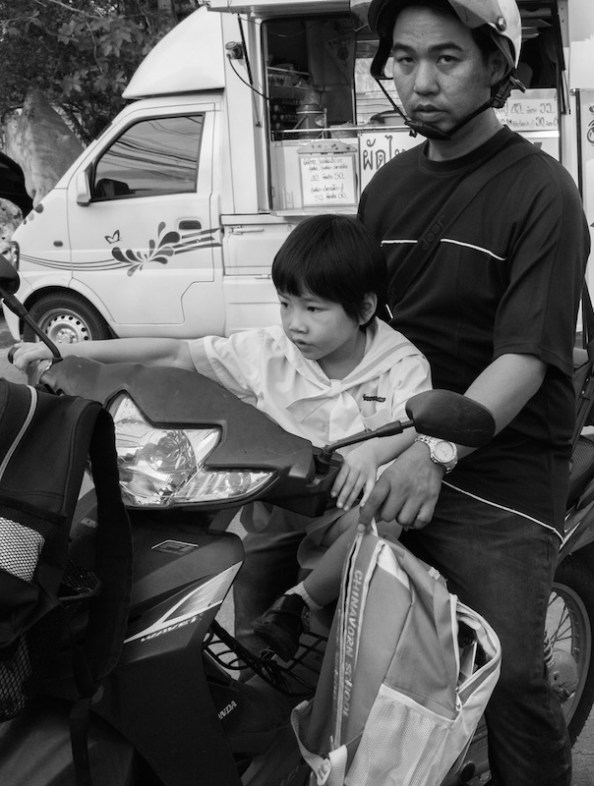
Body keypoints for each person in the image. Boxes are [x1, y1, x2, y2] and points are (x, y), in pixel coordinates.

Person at [9, 215, 432, 659]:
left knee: (381, 525)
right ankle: (256, 677)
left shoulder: (399, 364)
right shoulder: (268, 351)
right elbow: (174, 353)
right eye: (285, 304)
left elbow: (419, 421)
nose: (295, 323)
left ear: (363, 309)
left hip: (349, 507)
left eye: (313, 308)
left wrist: (372, 452)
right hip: (278, 502)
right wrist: (64, 352)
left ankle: (301, 602)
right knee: (251, 587)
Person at [355, 1, 589, 784]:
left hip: (502, 460)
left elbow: (525, 357)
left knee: (515, 671)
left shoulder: (540, 192)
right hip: (395, 440)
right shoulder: (386, 188)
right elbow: (359, 329)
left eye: (447, 58)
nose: (421, 81)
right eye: (404, 58)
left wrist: (437, 448)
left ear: (496, 66)